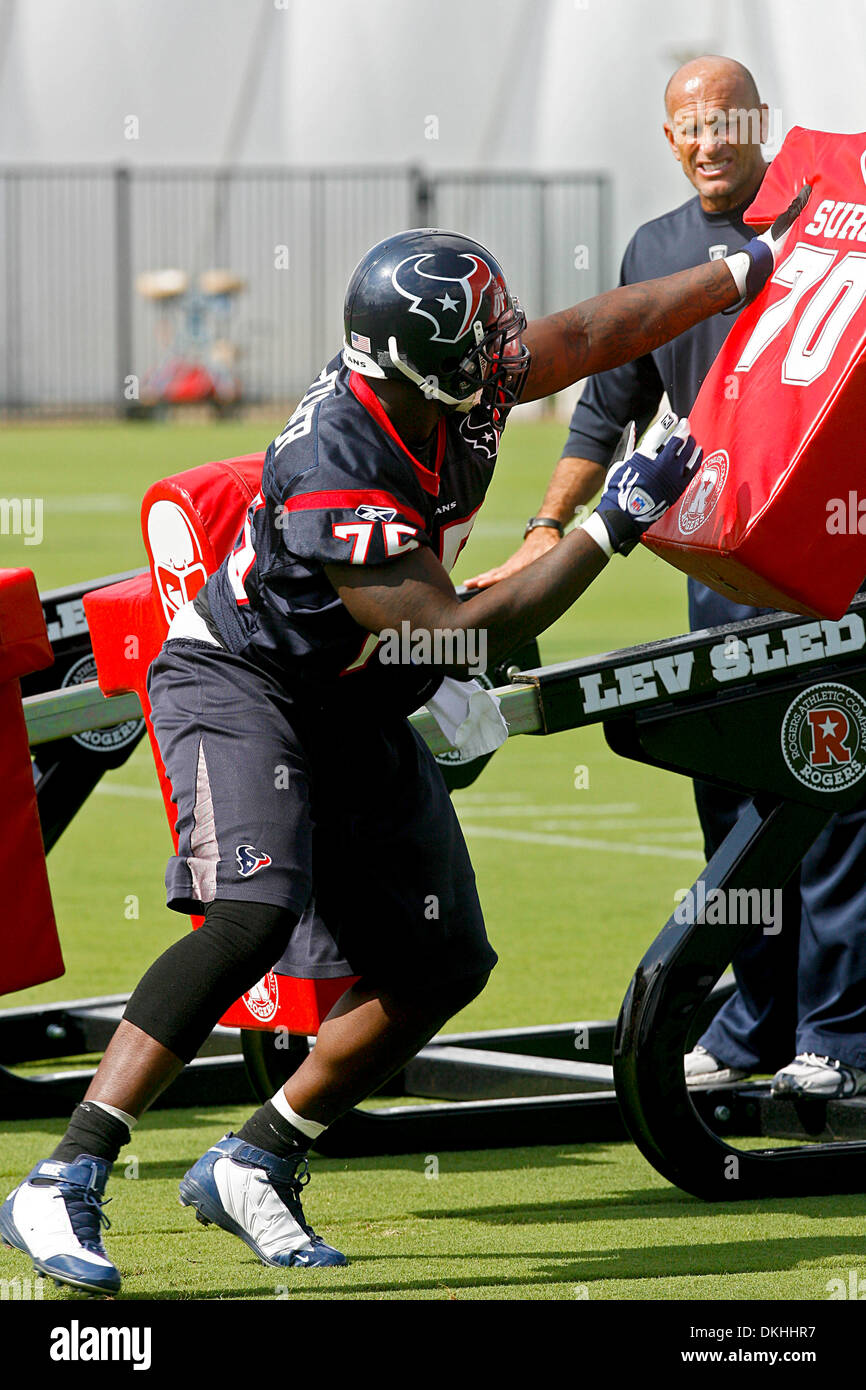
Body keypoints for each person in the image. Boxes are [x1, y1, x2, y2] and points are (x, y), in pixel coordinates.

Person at [0, 209, 803, 1296]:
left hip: (354, 691)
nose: (507, 351)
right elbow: (456, 628)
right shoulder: (344, 454)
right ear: (428, 359)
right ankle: (68, 1170)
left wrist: (736, 270)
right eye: (484, 339)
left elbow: (578, 338)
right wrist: (608, 524)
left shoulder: (440, 380)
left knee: (440, 962)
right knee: (252, 911)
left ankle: (258, 1156)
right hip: (246, 682)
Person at [466, 55, 866, 1103]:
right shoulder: (656, 247)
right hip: (713, 572)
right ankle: (752, 1031)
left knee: (826, 802)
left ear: (758, 125)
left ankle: (840, 1041)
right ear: (667, 138)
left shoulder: (832, 231)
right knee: (731, 812)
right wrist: (547, 523)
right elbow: (604, 409)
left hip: (831, 573)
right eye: (687, 124)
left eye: (724, 119)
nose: (705, 139)